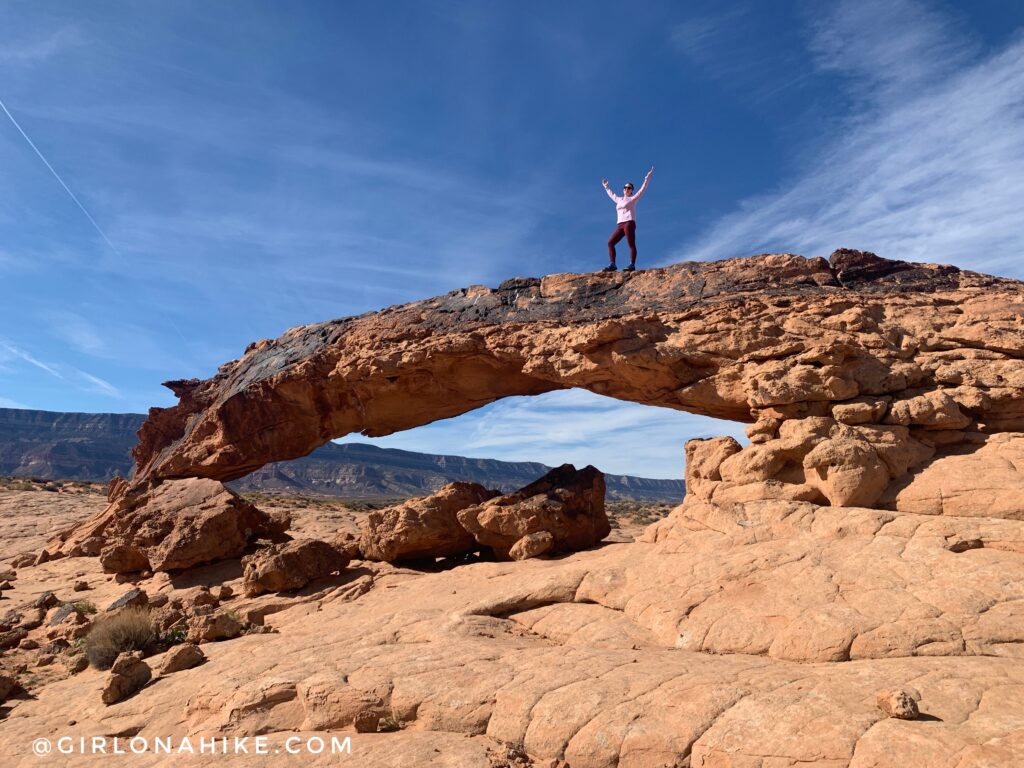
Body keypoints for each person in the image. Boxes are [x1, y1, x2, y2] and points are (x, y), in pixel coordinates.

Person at [601, 166, 653, 272]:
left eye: (629, 188)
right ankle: (613, 264)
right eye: (625, 187)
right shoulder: (619, 199)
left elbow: (643, 189)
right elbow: (612, 195)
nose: (626, 189)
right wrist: (606, 187)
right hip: (620, 225)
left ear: (631, 190)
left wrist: (647, 178)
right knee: (610, 243)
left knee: (631, 244)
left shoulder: (633, 199)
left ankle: (632, 265)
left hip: (629, 223)